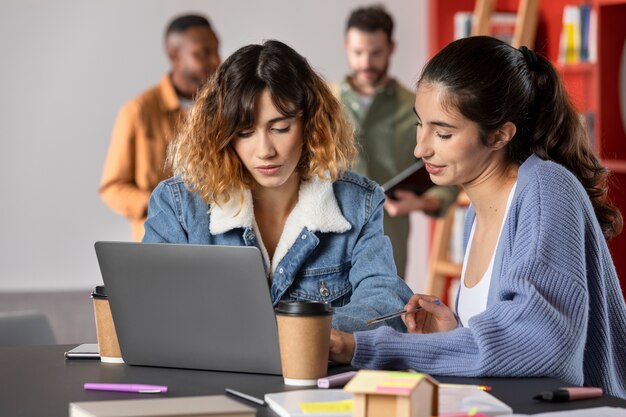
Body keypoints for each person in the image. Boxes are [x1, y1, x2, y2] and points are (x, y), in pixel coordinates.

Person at [329, 36, 626, 399]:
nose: (420, 147)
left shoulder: (547, 190)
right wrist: (452, 333)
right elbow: (505, 348)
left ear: (501, 134)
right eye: (420, 124)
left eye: (443, 132)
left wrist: (367, 347)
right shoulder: (475, 212)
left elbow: (540, 344)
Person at [142, 40, 414, 332]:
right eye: (245, 132)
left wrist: (294, 338)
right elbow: (152, 311)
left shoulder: (357, 203)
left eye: (280, 128)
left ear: (311, 123)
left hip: (317, 377)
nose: (265, 151)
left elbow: (383, 303)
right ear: (223, 134)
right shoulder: (179, 205)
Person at [338, 5, 458, 277]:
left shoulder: (414, 107)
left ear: (391, 48)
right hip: (330, 241)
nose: (366, 62)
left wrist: (418, 203)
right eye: (358, 52)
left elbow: (448, 179)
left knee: (385, 316)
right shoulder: (325, 105)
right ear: (347, 46)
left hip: (387, 243)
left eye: (376, 52)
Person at [100, 14, 221, 241]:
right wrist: (167, 204)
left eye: (216, 50)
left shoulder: (226, 107)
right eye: (203, 53)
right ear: (174, 55)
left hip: (214, 241)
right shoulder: (138, 112)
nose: (216, 60)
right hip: (158, 243)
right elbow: (112, 188)